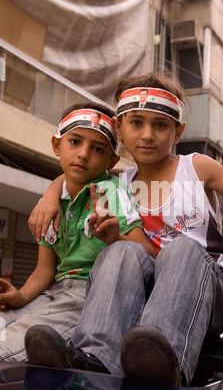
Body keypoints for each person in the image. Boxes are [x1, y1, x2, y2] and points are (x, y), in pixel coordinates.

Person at [25, 73, 223, 386]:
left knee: (180, 249)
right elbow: (73, 174)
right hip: (147, 294)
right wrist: (50, 195)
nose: (148, 135)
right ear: (119, 128)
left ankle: (165, 361)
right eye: (136, 123)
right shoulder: (116, 182)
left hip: (207, 291)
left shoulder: (197, 168)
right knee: (121, 249)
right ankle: (95, 361)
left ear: (178, 130)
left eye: (161, 124)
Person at [0, 101, 154, 363]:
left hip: (87, 296)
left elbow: (147, 254)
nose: (83, 154)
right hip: (51, 294)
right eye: (75, 142)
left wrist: (116, 237)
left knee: (9, 345)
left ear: (111, 160)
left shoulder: (111, 192)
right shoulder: (49, 203)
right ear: (57, 145)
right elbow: (45, 270)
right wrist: (19, 296)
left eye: (97, 149)